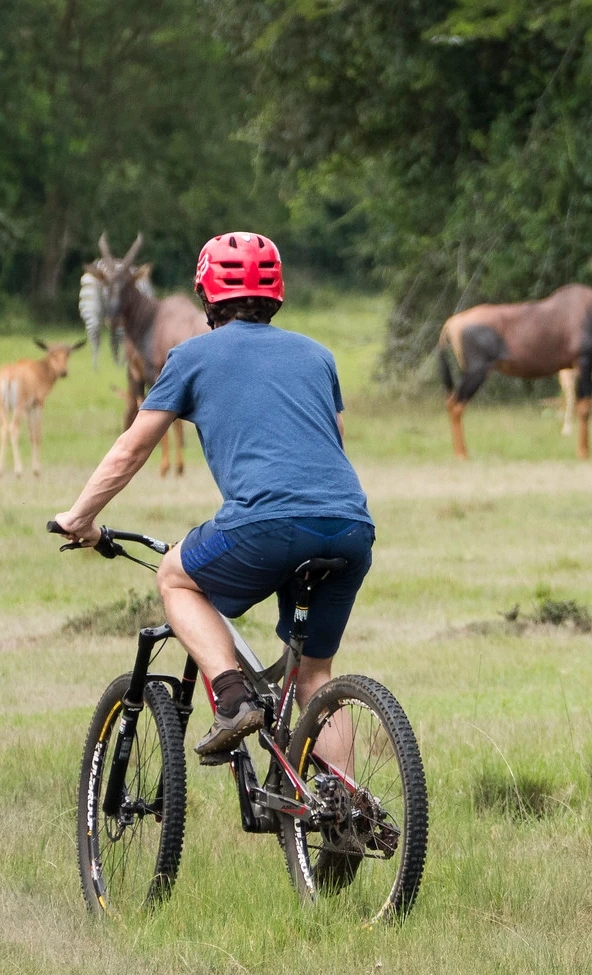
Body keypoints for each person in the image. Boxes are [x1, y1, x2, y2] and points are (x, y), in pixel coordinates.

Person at [52, 232, 374, 763]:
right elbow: (334, 440)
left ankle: (231, 697)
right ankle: (344, 804)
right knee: (316, 677)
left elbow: (133, 447)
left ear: (206, 297)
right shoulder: (317, 355)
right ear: (276, 296)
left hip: (265, 525)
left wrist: (80, 517)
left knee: (175, 576)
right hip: (351, 526)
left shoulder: (191, 355)